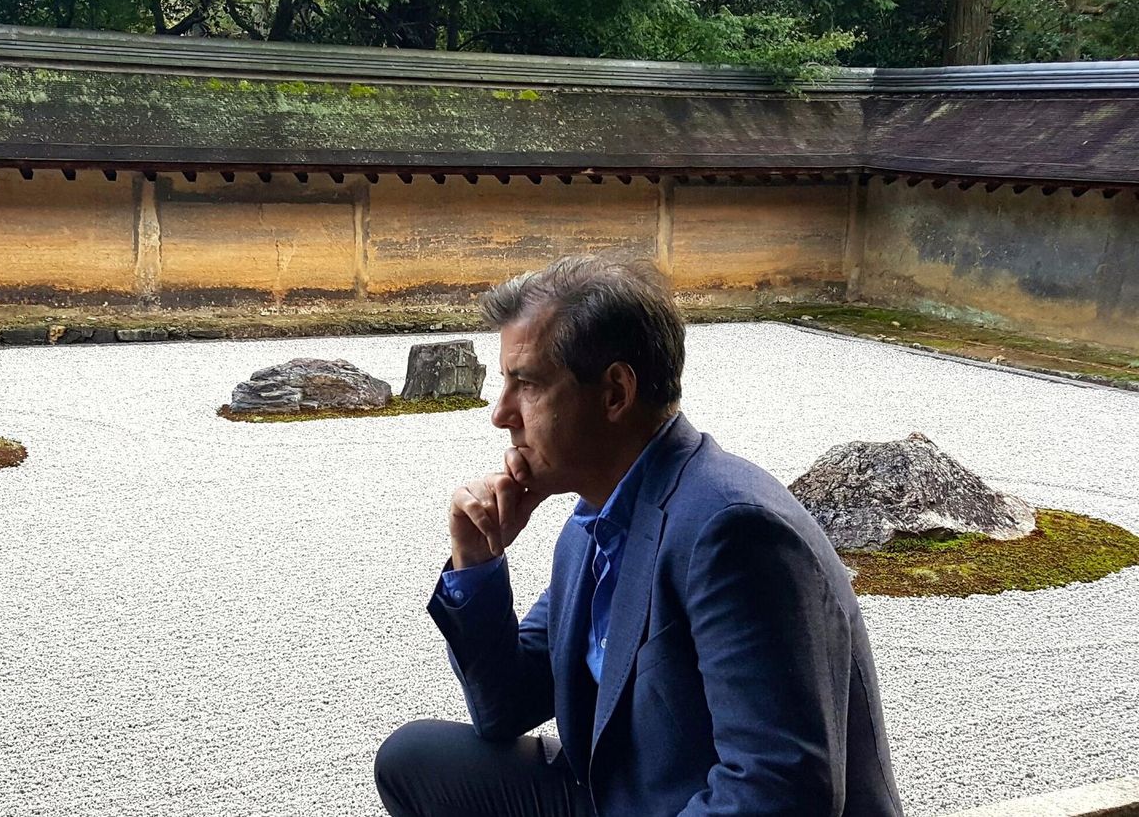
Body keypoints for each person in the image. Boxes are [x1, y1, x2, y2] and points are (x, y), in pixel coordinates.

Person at [374, 256, 902, 817]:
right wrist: (476, 560)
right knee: (413, 760)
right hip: (628, 793)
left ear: (615, 393)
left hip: (694, 804)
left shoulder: (733, 531)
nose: (501, 414)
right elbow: (504, 707)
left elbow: (779, 789)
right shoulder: (595, 522)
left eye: (526, 384)